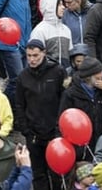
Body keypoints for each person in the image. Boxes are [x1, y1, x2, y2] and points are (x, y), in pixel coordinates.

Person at [14, 39, 66, 190]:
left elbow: (65, 100)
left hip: (55, 133)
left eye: (35, 55)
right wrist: (26, 130)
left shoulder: (58, 71)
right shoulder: (23, 77)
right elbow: (19, 105)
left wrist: (59, 128)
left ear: (44, 53)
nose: (32, 59)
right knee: (38, 174)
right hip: (34, 134)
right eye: (29, 55)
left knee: (57, 173)